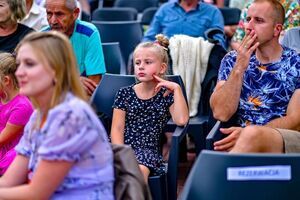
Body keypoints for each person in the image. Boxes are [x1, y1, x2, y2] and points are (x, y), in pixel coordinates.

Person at [0, 31, 114, 199]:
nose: (18, 72)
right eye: (19, 65)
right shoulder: (37, 116)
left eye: (29, 64)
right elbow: (9, 181)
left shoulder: (70, 116)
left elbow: (36, 193)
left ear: (55, 70)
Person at [209, 0, 300, 152]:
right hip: (240, 140)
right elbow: (220, 113)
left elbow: (295, 120)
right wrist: (239, 68)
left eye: (258, 21)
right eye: (248, 19)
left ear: (277, 29)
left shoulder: (296, 63)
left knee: (251, 135)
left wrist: (250, 133)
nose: (248, 26)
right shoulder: (232, 60)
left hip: (284, 139)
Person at [111, 34, 189, 182]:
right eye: (137, 62)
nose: (141, 66)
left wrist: (177, 89)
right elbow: (117, 129)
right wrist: (120, 154)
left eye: (148, 62)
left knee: (137, 173)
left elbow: (181, 120)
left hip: (147, 152)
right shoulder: (124, 93)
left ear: (162, 67)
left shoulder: (167, 95)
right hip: (119, 147)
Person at [44, 0, 106, 96]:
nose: (53, 21)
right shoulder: (41, 38)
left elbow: (92, 85)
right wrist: (72, 82)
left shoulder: (89, 33)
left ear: (75, 13)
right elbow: (39, 83)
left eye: (59, 14)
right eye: (49, 14)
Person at [0, 53, 33, 175]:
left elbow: (2, 140)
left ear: (6, 80)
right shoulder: (2, 97)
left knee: (14, 158)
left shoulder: (22, 106)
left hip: (10, 151)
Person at [143, 0, 226, 48]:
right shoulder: (165, 9)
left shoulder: (213, 12)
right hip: (166, 55)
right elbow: (149, 37)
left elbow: (218, 41)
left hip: (200, 58)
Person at [231, 0, 300, 50]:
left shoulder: (292, 5)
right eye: (248, 19)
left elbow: (289, 41)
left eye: (259, 20)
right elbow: (236, 41)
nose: (249, 27)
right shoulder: (251, 5)